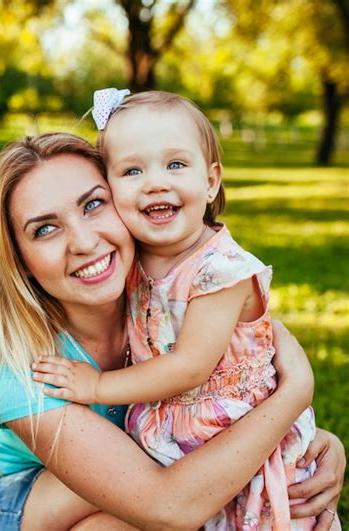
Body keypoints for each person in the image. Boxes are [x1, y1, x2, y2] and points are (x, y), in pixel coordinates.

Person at [0, 132, 345, 531]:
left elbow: (228, 398)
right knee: (133, 517)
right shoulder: (26, 370)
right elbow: (169, 506)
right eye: (45, 229)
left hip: (140, 468)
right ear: (20, 259)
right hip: (9, 504)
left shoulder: (171, 302)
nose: (84, 242)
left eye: (94, 204)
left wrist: (301, 446)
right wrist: (293, 396)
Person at [31, 90, 332, 530]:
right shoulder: (131, 258)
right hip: (177, 431)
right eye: (132, 170)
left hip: (232, 429)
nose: (155, 182)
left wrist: (97, 386)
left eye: (175, 165)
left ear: (211, 181)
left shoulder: (220, 271)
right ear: (111, 192)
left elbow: (190, 367)